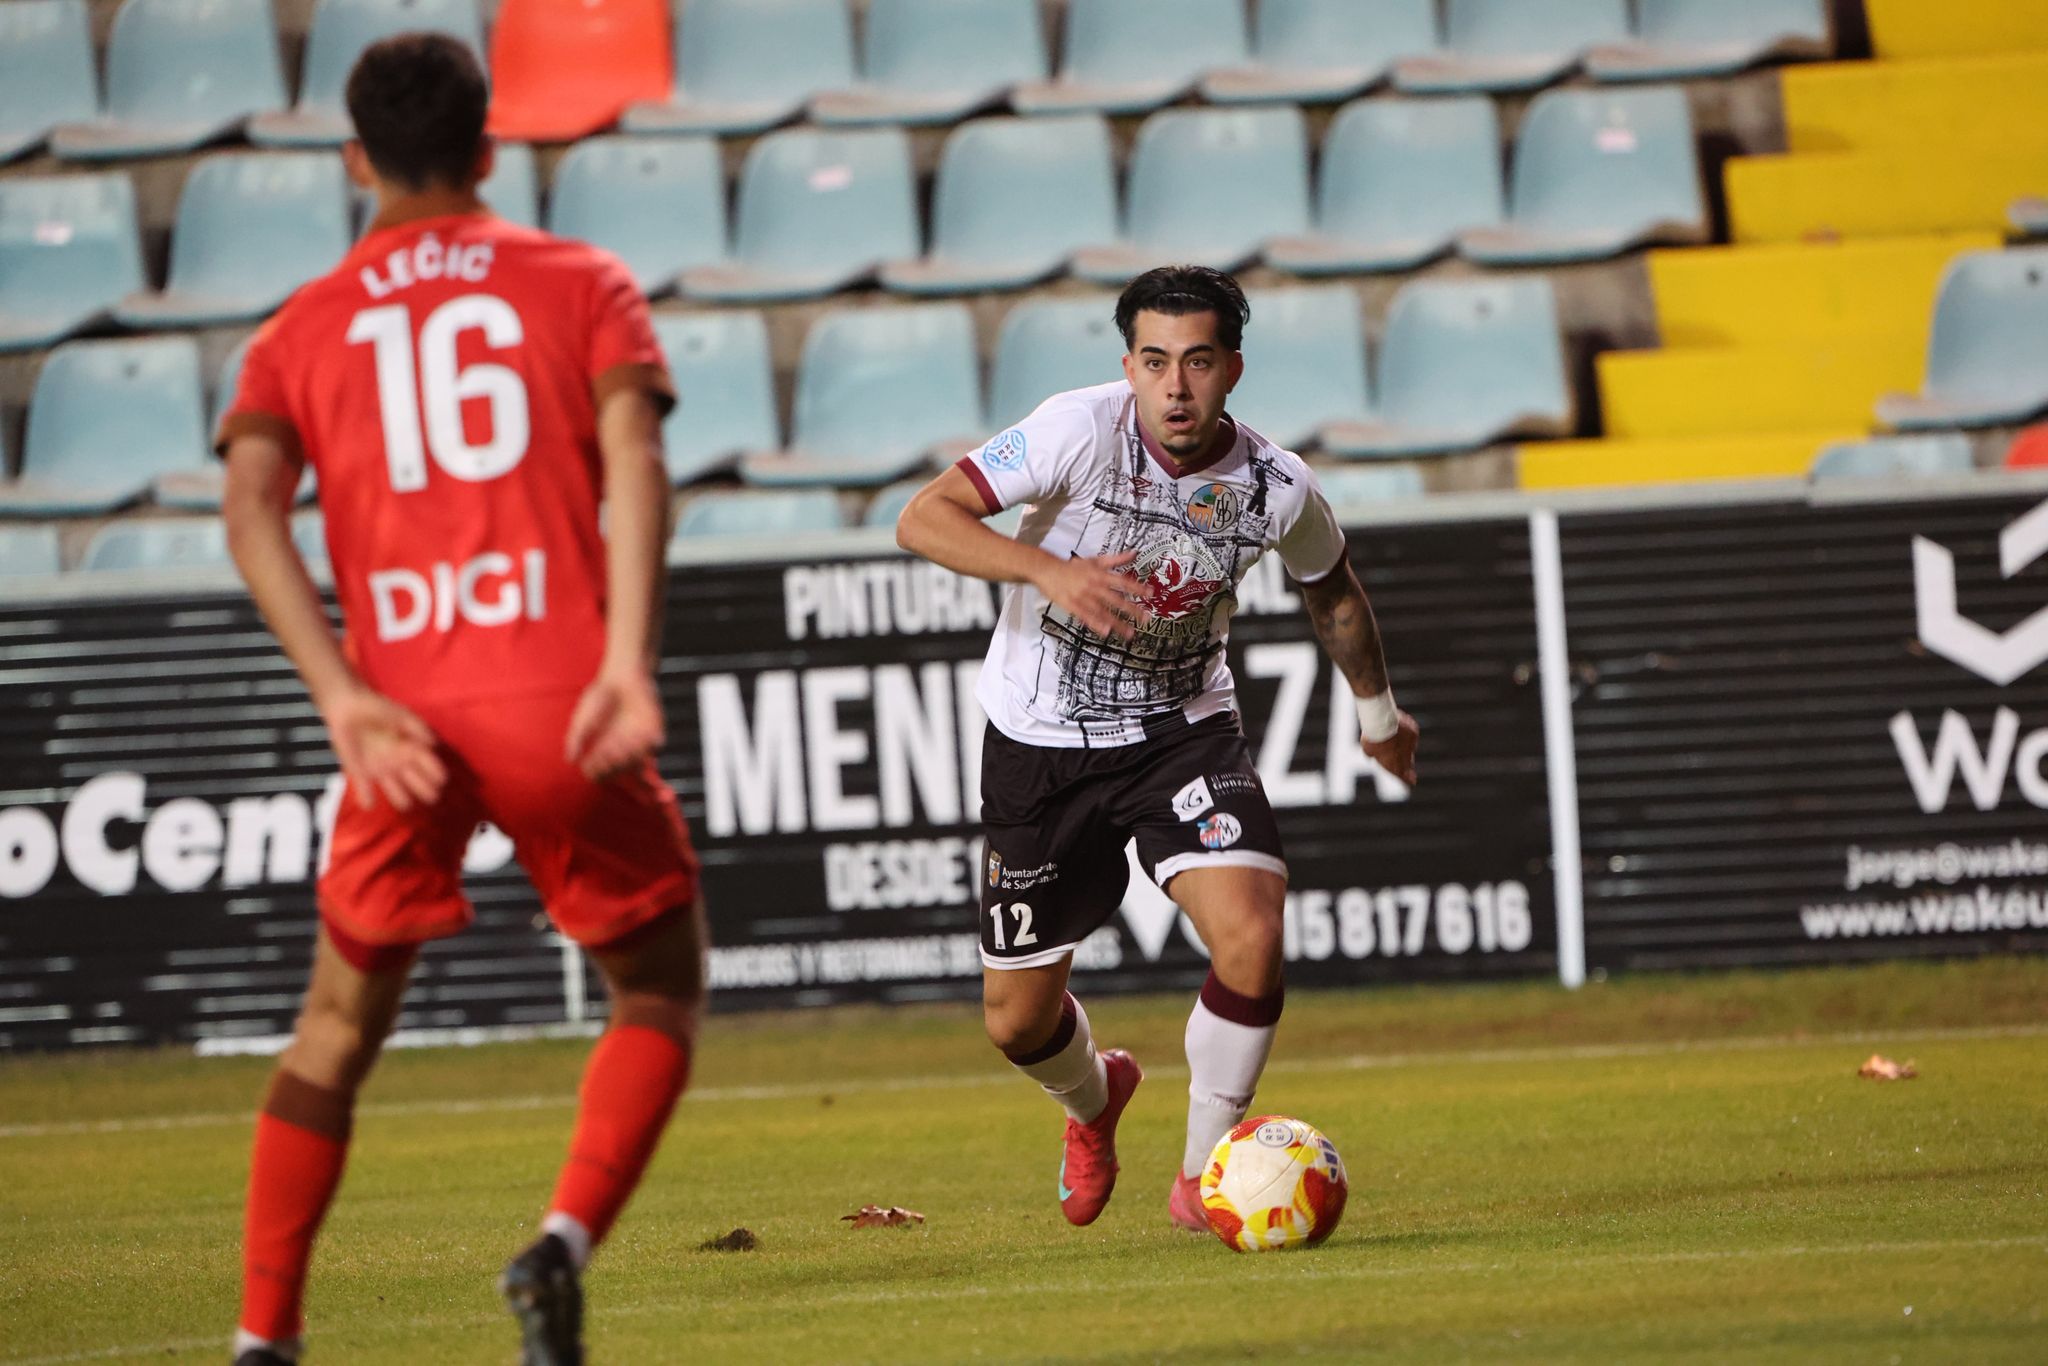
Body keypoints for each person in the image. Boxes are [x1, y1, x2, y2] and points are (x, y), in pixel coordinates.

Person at [216, 34, 703, 1366]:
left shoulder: (296, 328)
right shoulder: (581, 282)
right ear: (491, 150)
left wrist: (339, 695)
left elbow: (249, 507)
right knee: (657, 985)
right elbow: (636, 457)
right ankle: (559, 1242)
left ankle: (265, 1337)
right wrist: (624, 664)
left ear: (354, 160)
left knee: (334, 1025)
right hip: (560, 696)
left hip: (402, 716)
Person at [896, 266, 1419, 1232]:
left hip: (1182, 732)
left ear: (1233, 370)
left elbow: (1333, 591)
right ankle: (1095, 1104)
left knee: (1254, 933)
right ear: (1127, 367)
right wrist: (1047, 569)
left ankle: (1200, 1178)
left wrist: (1378, 712)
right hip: (1041, 742)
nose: (1175, 387)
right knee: (1016, 1023)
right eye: (1154, 362)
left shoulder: (1274, 485)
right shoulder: (1075, 428)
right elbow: (921, 516)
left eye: (1198, 362)